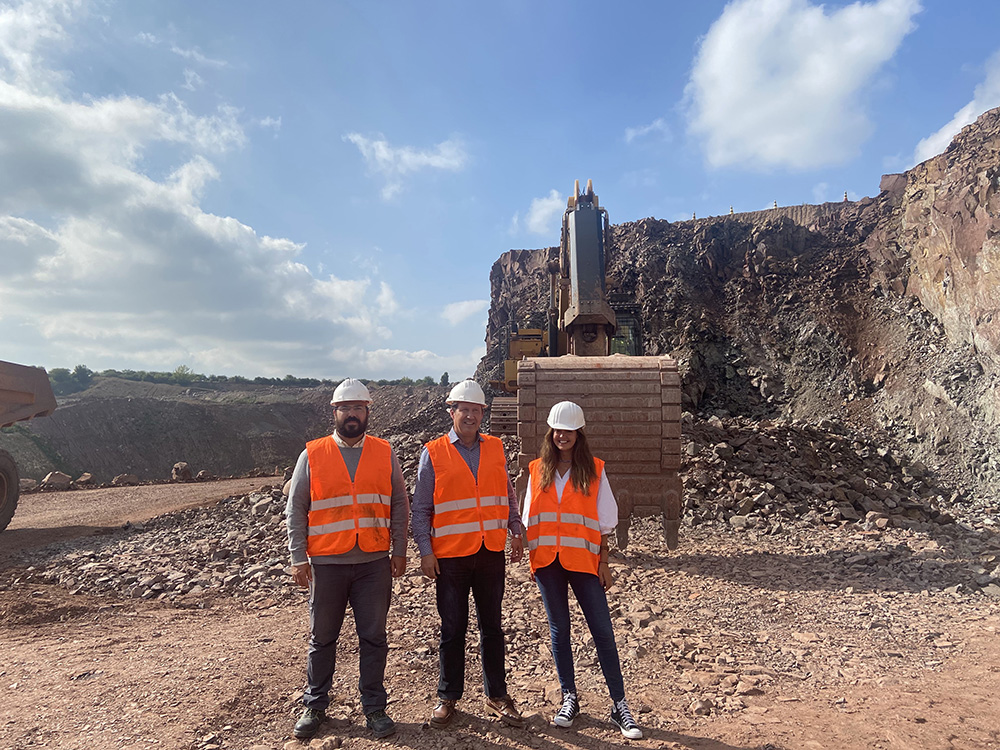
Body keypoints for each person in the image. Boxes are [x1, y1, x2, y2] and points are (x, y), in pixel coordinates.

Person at [285, 378, 409, 740]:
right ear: (334, 412)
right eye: (345, 408)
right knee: (322, 637)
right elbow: (296, 508)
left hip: (373, 563)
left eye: (358, 407)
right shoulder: (313, 454)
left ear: (368, 411)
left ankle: (374, 707)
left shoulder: (384, 452)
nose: (352, 414)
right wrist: (298, 557)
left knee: (374, 637)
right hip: (326, 564)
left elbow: (399, 503)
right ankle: (315, 704)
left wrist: (399, 549)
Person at [522, 400, 643, 740]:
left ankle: (619, 705)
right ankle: (569, 698)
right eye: (558, 430)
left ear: (578, 434)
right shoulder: (536, 470)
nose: (563, 436)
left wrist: (604, 562)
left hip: (583, 563)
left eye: (569, 431)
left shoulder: (594, 470)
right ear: (551, 433)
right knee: (560, 631)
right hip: (548, 563)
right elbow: (528, 517)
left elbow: (605, 521)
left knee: (602, 630)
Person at [410, 379, 526, 729]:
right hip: (451, 557)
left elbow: (506, 493)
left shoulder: (495, 448)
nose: (472, 416)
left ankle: (497, 695)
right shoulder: (433, 452)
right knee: (452, 628)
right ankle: (448, 697)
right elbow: (420, 509)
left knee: (492, 626)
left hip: (490, 551)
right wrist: (426, 552)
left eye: (477, 410)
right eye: (466, 409)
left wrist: (515, 529)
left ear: (482, 414)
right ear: (452, 411)